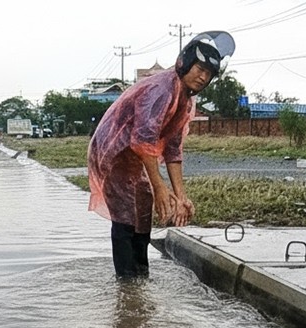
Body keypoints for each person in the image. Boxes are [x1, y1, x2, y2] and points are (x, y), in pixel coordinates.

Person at [87, 31, 234, 278]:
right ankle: (126, 283)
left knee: (143, 208)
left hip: (135, 155)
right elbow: (143, 140)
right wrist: (159, 187)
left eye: (208, 74)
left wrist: (181, 196)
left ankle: (140, 277)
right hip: (113, 151)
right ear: (184, 64)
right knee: (125, 213)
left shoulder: (185, 101)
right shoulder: (161, 89)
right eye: (199, 68)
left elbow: (173, 149)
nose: (202, 76)